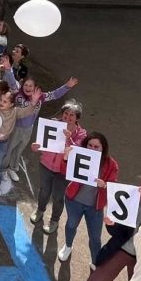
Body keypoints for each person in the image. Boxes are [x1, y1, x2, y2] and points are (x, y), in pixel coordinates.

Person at [2, 62, 77, 183]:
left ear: (36, 87)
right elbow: (11, 81)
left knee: (20, 149)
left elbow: (54, 95)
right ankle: (3, 169)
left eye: (31, 86)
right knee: (9, 148)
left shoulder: (41, 97)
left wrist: (67, 86)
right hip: (15, 127)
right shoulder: (17, 93)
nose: (28, 88)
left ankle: (12, 168)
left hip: (28, 129)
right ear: (22, 86)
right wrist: (8, 69)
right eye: (26, 85)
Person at [58, 132, 118, 269]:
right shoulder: (78, 154)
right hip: (74, 201)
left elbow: (113, 185)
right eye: (90, 145)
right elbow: (63, 171)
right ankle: (68, 246)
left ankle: (95, 259)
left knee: (95, 237)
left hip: (95, 207)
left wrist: (105, 185)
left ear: (103, 148)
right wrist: (66, 158)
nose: (92, 149)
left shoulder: (111, 164)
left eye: (96, 147)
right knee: (71, 225)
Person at [30, 99, 87, 233]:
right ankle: (40, 210)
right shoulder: (53, 124)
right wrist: (35, 147)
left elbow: (76, 151)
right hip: (45, 165)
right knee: (44, 191)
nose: (68, 117)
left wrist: (69, 138)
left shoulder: (82, 134)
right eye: (66, 113)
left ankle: (54, 220)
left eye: (72, 115)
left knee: (58, 197)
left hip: (63, 171)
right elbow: (41, 143)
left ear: (77, 118)